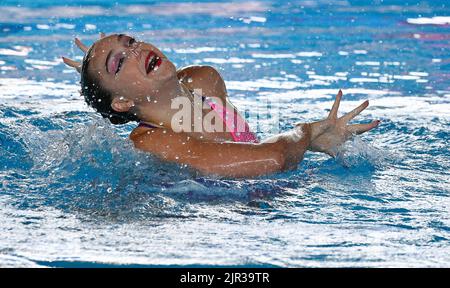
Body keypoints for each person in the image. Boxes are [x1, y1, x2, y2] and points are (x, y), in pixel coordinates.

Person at [62, 33, 380, 178]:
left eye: (130, 42)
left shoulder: (205, 81)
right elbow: (273, 158)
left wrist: (105, 80)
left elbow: (270, 157)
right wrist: (307, 133)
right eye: (119, 61)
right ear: (122, 102)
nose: (135, 50)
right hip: (229, 221)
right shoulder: (151, 141)